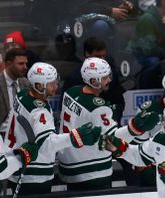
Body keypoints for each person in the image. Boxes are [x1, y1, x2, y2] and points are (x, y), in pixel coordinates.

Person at [59, 57, 158, 189]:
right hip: (92, 172)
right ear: (94, 81)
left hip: (68, 165)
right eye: (105, 77)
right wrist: (135, 127)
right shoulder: (99, 108)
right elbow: (111, 141)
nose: (109, 80)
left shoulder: (70, 92)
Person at [3, 63, 101, 195]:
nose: (56, 86)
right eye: (51, 84)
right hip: (34, 175)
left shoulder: (22, 95)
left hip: (17, 165)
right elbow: (47, 143)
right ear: (38, 86)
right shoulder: (39, 111)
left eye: (56, 82)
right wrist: (75, 137)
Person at [62, 37, 126, 122]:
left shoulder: (112, 75)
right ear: (87, 53)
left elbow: (119, 103)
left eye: (104, 56)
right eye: (98, 56)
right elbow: (66, 107)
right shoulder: (74, 78)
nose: (102, 60)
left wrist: (111, 118)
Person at [0, 47, 30, 130]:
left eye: (25, 63)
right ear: (9, 64)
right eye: (20, 64)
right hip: (0, 135)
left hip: (23, 134)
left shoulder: (26, 84)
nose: (25, 67)